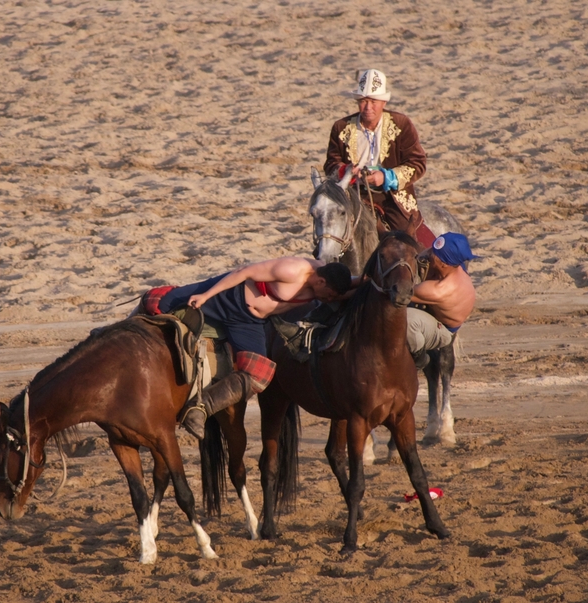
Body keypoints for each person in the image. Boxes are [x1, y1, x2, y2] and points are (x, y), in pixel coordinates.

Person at [141, 258, 352, 439]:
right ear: (321, 281)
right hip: (226, 299)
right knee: (163, 303)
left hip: (248, 321)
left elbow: (350, 286)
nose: (330, 300)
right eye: (330, 295)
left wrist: (367, 281)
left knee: (260, 373)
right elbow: (244, 271)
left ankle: (200, 408)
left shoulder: (327, 281)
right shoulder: (291, 270)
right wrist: (206, 296)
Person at [324, 68, 427, 236]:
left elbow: (418, 163)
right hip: (354, 196)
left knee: (405, 243)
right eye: (363, 101)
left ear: (383, 103)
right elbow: (330, 164)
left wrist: (386, 177)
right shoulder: (341, 127)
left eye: (374, 101)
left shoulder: (401, 124)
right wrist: (347, 171)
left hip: (392, 198)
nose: (368, 107)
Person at [407, 232, 478, 368]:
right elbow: (426, 252)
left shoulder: (438, 289)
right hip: (439, 309)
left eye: (434, 253)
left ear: (444, 264)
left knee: (408, 320)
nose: (429, 254)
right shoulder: (454, 265)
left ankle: (419, 356)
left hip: (444, 330)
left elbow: (397, 292)